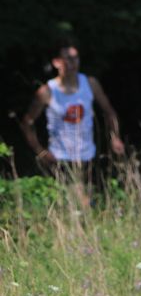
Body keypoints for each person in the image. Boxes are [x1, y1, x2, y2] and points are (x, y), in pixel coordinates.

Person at [19, 37, 125, 202]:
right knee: (74, 201)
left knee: (89, 198)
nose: (73, 62)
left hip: (87, 154)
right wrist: (40, 151)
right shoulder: (47, 91)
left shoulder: (90, 84)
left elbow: (109, 111)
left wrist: (115, 137)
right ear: (56, 62)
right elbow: (27, 123)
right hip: (59, 157)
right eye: (68, 58)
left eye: (75, 58)